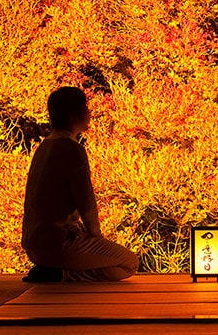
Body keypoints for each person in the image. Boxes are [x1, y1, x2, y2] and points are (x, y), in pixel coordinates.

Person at [21, 86, 138, 282]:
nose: (89, 112)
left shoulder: (43, 147)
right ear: (73, 113)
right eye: (85, 107)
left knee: (113, 265)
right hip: (59, 244)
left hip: (33, 245)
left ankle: (53, 272)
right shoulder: (71, 149)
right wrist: (95, 235)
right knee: (128, 263)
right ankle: (62, 274)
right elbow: (85, 200)